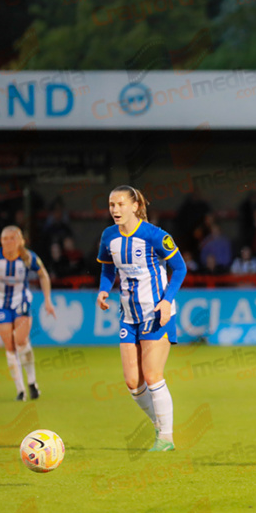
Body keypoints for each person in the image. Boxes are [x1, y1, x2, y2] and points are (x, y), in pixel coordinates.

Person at [97, 186, 187, 452]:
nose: (115, 210)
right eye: (111, 204)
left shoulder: (154, 235)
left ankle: (166, 438)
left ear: (135, 206)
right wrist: (103, 290)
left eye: (121, 204)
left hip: (156, 313)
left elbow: (180, 268)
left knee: (152, 374)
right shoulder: (108, 236)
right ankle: (161, 425)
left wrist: (167, 302)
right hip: (129, 315)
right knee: (132, 383)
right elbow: (107, 268)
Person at [0, 226, 56, 401]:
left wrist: (48, 300)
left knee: (21, 340)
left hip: (21, 301)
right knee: (9, 346)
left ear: (20, 241)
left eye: (12, 238)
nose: (8, 242)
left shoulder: (28, 257)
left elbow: (43, 275)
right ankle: (20, 390)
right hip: (0, 304)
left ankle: (32, 382)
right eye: (5, 239)